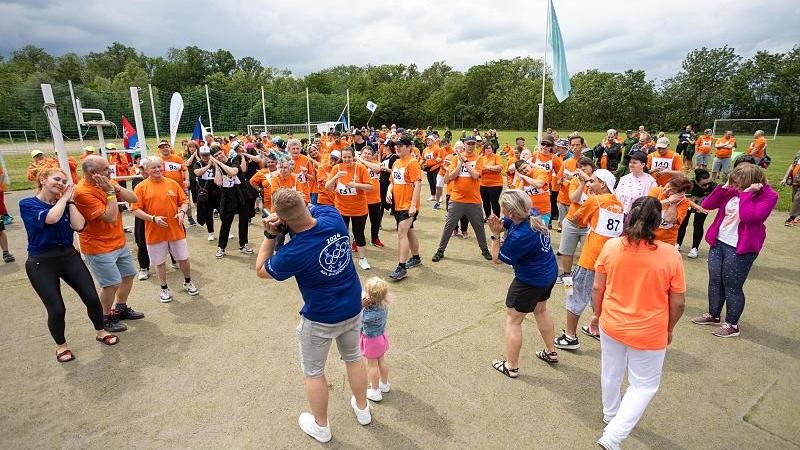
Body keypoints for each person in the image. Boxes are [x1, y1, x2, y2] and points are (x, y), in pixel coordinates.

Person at [255, 189, 371, 443]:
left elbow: (262, 270)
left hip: (320, 317)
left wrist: (270, 234)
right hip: (352, 305)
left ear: (283, 220)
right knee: (353, 358)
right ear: (304, 205)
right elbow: (311, 209)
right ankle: (363, 409)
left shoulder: (293, 252)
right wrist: (290, 217)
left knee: (314, 372)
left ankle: (322, 426)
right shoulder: (333, 216)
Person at [592, 196, 685, 450]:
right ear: (658, 222)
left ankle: (611, 417)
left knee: (611, 372)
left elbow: (597, 288)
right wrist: (669, 329)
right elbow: (677, 303)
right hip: (649, 330)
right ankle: (612, 435)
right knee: (643, 385)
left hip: (612, 322)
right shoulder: (670, 255)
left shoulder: (611, 246)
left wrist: (598, 315)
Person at [21, 167, 120, 362]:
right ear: (43, 179)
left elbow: (78, 226)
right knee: (57, 308)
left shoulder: (65, 203)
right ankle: (61, 346)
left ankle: (100, 332)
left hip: (68, 256)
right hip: (41, 261)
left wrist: (71, 200)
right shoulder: (28, 204)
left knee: (91, 298)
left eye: (64, 181)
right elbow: (51, 218)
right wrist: (65, 199)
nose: (61, 184)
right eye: (56, 179)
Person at [692, 163, 778, 337]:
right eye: (734, 181)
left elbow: (749, 218)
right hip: (719, 241)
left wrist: (746, 194)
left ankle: (732, 325)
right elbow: (708, 204)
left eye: (738, 183)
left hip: (741, 247)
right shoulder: (732, 189)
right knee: (715, 280)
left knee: (732, 286)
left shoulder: (769, 195)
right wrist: (723, 188)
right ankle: (713, 315)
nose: (735, 185)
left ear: (751, 182)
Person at [489, 189, 559, 378]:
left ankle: (511, 366)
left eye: (503, 209)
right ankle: (551, 351)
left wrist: (495, 235)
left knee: (513, 320)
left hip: (530, 281)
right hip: (549, 274)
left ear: (511, 211)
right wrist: (500, 224)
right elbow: (508, 222)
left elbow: (497, 258)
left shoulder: (520, 236)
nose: (501, 212)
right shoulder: (532, 214)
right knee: (541, 310)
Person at [74, 155, 144, 332]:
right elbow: (110, 217)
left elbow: (133, 198)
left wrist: (114, 187)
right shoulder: (83, 192)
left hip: (118, 242)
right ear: (92, 172)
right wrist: (111, 193)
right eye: (106, 168)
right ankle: (105, 317)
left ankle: (120, 308)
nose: (110, 170)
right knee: (111, 283)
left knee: (128, 275)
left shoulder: (106, 182)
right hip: (98, 247)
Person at [554, 169, 623, 350]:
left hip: (591, 257)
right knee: (600, 295)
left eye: (593, 181)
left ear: (603, 184)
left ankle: (570, 335)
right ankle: (599, 328)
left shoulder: (595, 200)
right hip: (609, 257)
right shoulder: (618, 203)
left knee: (574, 293)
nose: (590, 184)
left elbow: (577, 219)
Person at [130, 157, 199, 302]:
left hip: (176, 230)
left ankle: (188, 281)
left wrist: (182, 212)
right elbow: (135, 210)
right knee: (159, 262)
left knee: (184, 259)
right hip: (154, 232)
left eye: (159, 167)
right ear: (147, 170)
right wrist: (152, 219)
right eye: (153, 167)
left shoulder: (172, 183)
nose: (157, 170)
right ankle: (164, 288)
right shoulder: (141, 187)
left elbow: (184, 201)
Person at [431, 136, 491, 262]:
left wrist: (465, 161)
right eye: (468, 143)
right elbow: (451, 177)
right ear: (464, 144)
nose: (471, 146)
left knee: (479, 226)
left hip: (474, 200)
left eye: (473, 144)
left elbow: (475, 175)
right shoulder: (455, 158)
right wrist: (460, 162)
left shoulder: (479, 158)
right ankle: (440, 250)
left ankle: (484, 249)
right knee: (449, 226)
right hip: (457, 199)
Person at [326, 147, 373, 270]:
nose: (347, 159)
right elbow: (328, 187)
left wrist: (356, 185)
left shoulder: (360, 168)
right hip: (342, 208)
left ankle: (362, 259)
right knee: (341, 234)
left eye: (349, 157)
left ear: (353, 157)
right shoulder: (337, 168)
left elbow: (370, 187)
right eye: (344, 157)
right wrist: (335, 177)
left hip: (359, 209)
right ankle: (342, 258)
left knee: (359, 233)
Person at [386, 137, 422, 281]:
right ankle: (416, 257)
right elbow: (393, 182)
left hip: (408, 205)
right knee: (409, 231)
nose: (397, 148)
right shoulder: (396, 163)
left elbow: (418, 184)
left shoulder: (412, 163)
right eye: (396, 146)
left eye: (401, 146)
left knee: (402, 233)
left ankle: (401, 267)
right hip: (398, 204)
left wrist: (413, 205)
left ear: (409, 147)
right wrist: (389, 191)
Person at [556, 157, 596, 282]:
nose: (583, 168)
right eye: (581, 166)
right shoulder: (575, 180)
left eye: (586, 165)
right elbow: (573, 198)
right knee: (566, 251)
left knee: (586, 253)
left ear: (592, 167)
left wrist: (588, 181)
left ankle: (582, 277)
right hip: (571, 222)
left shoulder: (598, 181)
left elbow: (596, 198)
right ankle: (566, 275)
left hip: (588, 225)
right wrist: (582, 183)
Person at [212, 145, 252, 258]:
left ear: (223, 152)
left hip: (241, 194)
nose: (219, 156)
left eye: (220, 153)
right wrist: (216, 165)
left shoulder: (233, 160)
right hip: (228, 197)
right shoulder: (217, 166)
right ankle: (221, 247)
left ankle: (243, 244)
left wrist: (219, 163)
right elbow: (218, 182)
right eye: (216, 156)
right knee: (226, 222)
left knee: (243, 221)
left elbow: (233, 172)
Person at [361, 276, 392, 402]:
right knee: (382, 361)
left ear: (371, 296)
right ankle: (384, 384)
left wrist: (362, 305)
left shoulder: (368, 314)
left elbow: (360, 317)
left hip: (371, 341)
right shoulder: (384, 305)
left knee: (372, 365)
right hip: (382, 337)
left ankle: (375, 391)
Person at [676, 169, 716, 258]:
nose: (707, 186)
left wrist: (706, 207)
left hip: (703, 206)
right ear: (697, 182)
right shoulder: (690, 185)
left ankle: (695, 248)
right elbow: (686, 199)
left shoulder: (713, 186)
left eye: (708, 183)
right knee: (683, 223)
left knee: (698, 224)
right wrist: (697, 207)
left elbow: (715, 199)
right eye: (704, 184)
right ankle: (678, 243)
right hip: (689, 204)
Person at [356, 146, 386, 247]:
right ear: (361, 153)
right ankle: (357, 241)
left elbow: (378, 169)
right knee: (360, 223)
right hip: (361, 199)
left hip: (375, 199)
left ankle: (375, 238)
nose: (367, 155)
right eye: (365, 153)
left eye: (369, 154)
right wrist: (360, 161)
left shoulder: (374, 164)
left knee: (376, 221)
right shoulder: (356, 165)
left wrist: (362, 160)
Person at [615, 151, 657, 216]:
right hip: (619, 217)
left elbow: (652, 204)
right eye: (630, 162)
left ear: (643, 165)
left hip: (638, 219)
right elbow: (616, 197)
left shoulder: (650, 182)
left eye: (634, 163)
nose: (631, 165)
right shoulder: (624, 179)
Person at [193, 145, 221, 241]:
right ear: (200, 155)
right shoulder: (198, 164)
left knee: (223, 211)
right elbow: (197, 173)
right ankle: (211, 233)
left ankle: (227, 231)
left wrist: (215, 164)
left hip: (217, 190)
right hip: (205, 193)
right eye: (203, 155)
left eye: (207, 155)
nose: (205, 157)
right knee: (208, 214)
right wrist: (208, 165)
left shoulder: (215, 162)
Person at [512, 159, 552, 225]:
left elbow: (539, 185)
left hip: (542, 212)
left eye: (524, 167)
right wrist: (522, 181)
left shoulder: (539, 171)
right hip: (527, 213)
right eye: (521, 171)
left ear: (529, 165)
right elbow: (518, 195)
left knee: (541, 232)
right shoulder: (521, 178)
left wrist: (524, 177)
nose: (524, 171)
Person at [478, 142, 503, 220]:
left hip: (495, 184)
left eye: (489, 148)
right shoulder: (481, 158)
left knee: (494, 202)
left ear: (492, 149)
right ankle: (488, 216)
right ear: (484, 150)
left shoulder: (496, 157)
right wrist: (492, 168)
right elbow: (479, 169)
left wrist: (487, 167)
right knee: (485, 202)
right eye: (486, 148)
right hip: (483, 184)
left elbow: (499, 168)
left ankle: (496, 217)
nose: (488, 149)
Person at [780, 149, 800, 226]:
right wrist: (785, 178)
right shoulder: (798, 155)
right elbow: (792, 166)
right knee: (795, 198)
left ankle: (792, 218)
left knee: (797, 199)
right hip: (795, 181)